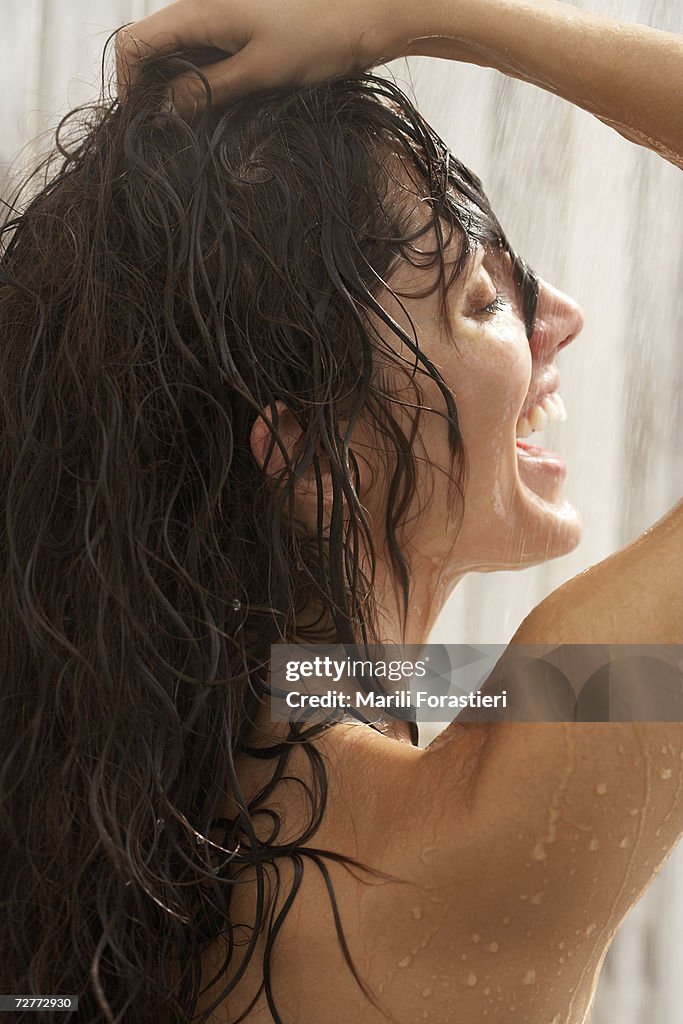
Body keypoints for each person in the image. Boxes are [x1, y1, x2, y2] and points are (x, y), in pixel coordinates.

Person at [0, 2, 680, 1023]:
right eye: (478, 301)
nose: (561, 317)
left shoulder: (96, 819)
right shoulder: (493, 801)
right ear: (312, 453)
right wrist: (410, 16)